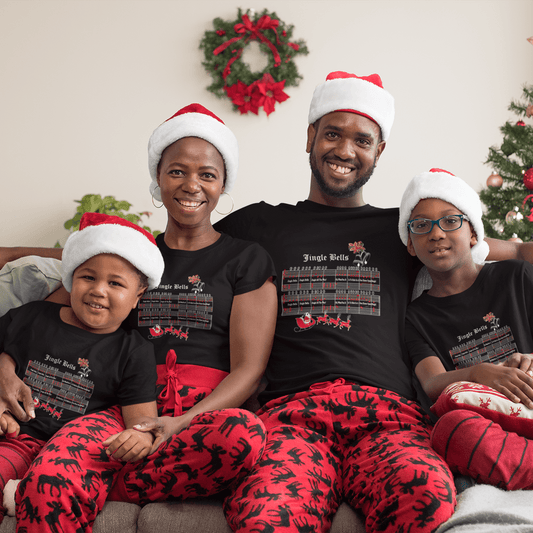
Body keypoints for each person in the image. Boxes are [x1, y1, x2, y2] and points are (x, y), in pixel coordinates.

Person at [214, 71, 533, 533]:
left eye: (362, 140)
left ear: (378, 152)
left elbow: (512, 250)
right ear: (310, 138)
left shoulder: (409, 231)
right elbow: (155, 254)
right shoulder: (260, 225)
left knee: (425, 494)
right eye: (332, 134)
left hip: (389, 419)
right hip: (292, 418)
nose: (345, 150)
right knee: (266, 513)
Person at [0, 103, 277, 533]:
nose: (191, 185)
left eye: (207, 174)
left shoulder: (245, 258)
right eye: (177, 171)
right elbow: (54, 311)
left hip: (200, 412)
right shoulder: (129, 255)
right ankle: (58, 482)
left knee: (243, 436)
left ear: (223, 184)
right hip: (122, 405)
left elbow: (250, 369)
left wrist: (181, 422)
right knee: (55, 475)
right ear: (158, 178)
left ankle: (89, 484)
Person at [0, 211, 166, 524]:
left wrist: (141, 438)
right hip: (16, 440)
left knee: (50, 488)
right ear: (71, 278)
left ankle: (22, 494)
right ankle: (16, 494)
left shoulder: (133, 350)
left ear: (137, 296)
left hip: (73, 455)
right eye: (88, 277)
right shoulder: (33, 318)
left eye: (115, 283)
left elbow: (142, 422)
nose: (98, 290)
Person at [399, 167, 533, 490]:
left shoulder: (515, 278)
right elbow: (432, 382)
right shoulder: (415, 317)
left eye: (450, 221)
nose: (436, 233)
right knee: (450, 431)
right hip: (486, 423)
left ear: (473, 233)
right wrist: (477, 374)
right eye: (421, 226)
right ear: (411, 246)